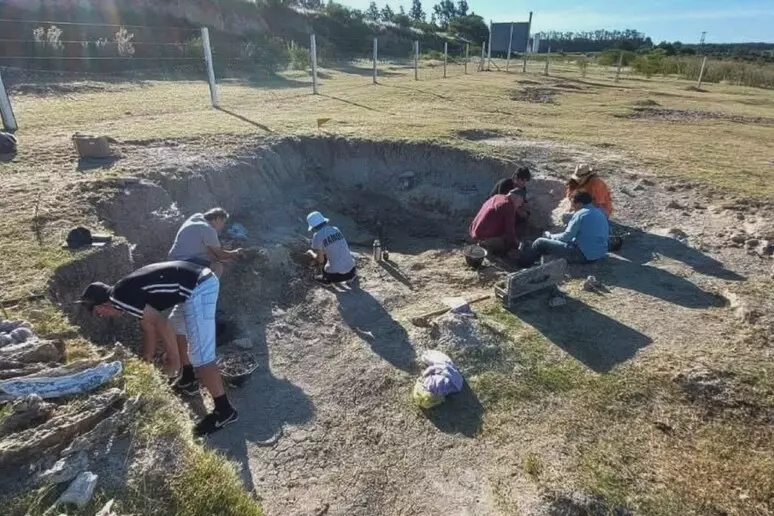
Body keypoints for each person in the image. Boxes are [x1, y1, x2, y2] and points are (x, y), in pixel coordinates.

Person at [79, 261, 238, 436]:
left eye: (99, 313)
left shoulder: (119, 298)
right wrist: (146, 361)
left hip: (199, 287)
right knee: (178, 327)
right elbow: (149, 328)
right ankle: (188, 378)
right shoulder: (123, 293)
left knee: (201, 355)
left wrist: (174, 360)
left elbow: (161, 324)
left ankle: (225, 411)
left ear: (103, 306)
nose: (102, 316)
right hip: (194, 283)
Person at [519, 191, 609, 267]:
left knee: (540, 242)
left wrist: (550, 236)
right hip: (598, 254)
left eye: (573, 204)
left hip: (582, 255)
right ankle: (537, 260)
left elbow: (567, 237)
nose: (572, 207)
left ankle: (523, 264)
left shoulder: (580, 214)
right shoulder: (599, 212)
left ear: (580, 203)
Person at [168, 208, 242, 277]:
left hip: (173, 257)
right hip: (184, 261)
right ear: (218, 219)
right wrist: (235, 253)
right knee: (218, 267)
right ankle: (209, 289)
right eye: (223, 222)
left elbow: (209, 252)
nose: (222, 225)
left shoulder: (196, 217)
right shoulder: (208, 229)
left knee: (209, 260)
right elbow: (220, 255)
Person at [469, 189, 526, 256]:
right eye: (521, 202)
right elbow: (510, 232)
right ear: (517, 198)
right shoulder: (508, 206)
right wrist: (517, 245)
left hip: (474, 230)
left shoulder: (497, 197)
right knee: (507, 243)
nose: (520, 205)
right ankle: (486, 244)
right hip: (482, 235)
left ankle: (484, 241)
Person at [306, 211, 357, 284]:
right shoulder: (335, 229)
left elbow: (320, 260)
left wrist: (310, 253)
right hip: (352, 271)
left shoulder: (317, 236)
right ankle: (350, 277)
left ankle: (327, 280)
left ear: (313, 227)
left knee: (322, 258)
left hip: (336, 276)